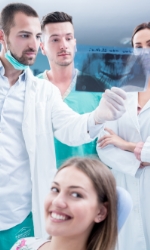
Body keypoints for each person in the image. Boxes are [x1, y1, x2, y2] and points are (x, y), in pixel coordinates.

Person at [0, 3, 126, 249]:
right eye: (24, 35)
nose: (33, 45)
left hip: (20, 215)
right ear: (2, 37)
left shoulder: (43, 91)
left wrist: (98, 116)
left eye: (37, 36)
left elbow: (70, 127)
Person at [97, 22, 150, 250]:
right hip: (125, 184)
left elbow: (118, 142)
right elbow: (103, 144)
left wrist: (126, 144)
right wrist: (138, 162)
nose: (144, 51)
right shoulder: (122, 93)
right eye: (138, 46)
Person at [38, 12, 103, 168]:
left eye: (68, 38)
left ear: (74, 43)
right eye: (55, 39)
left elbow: (106, 141)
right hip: (42, 183)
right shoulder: (32, 89)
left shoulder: (96, 87)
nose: (63, 45)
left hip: (87, 180)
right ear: (42, 47)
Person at [11, 157, 118, 250]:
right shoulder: (23, 245)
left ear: (101, 212)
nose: (57, 201)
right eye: (55, 189)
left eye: (76, 194)